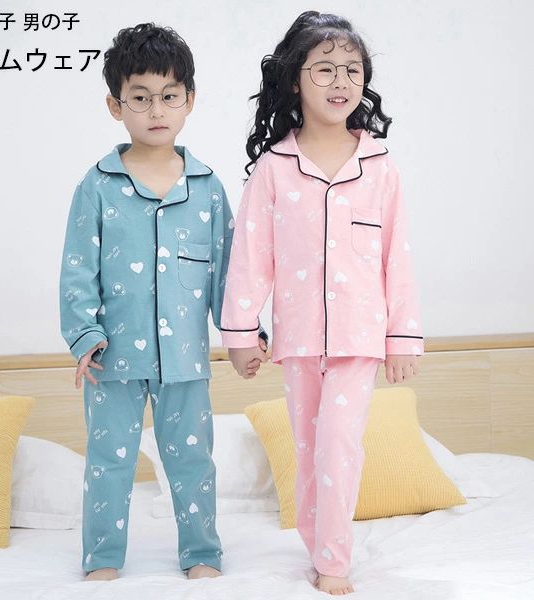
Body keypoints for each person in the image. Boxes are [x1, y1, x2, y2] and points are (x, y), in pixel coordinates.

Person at [220, 11, 424, 595]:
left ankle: (334, 561)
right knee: (310, 449)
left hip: (361, 334)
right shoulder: (274, 169)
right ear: (295, 80)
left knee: (338, 442)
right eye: (325, 69)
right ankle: (318, 545)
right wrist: (240, 335)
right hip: (300, 336)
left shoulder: (379, 168)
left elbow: (397, 257)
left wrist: (402, 337)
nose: (341, 82)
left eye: (352, 70)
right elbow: (251, 257)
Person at [59, 23, 256, 581]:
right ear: (115, 105)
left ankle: (202, 553)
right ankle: (102, 558)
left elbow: (228, 274)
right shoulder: (97, 185)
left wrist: (243, 336)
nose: (156, 110)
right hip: (112, 359)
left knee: (192, 462)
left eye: (169, 96)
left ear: (189, 100)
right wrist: (84, 334)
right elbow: (77, 268)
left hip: (186, 362)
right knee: (109, 464)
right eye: (140, 98)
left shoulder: (207, 188)